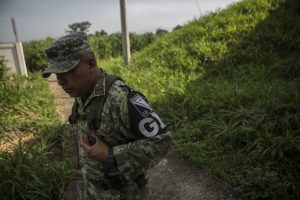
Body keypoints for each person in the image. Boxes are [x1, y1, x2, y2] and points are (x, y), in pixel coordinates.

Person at [42, 32, 171, 200]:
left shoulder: (122, 99)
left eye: (67, 71)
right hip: (93, 191)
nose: (60, 81)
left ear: (91, 63)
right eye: (56, 73)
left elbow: (162, 142)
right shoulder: (81, 94)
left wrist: (110, 155)